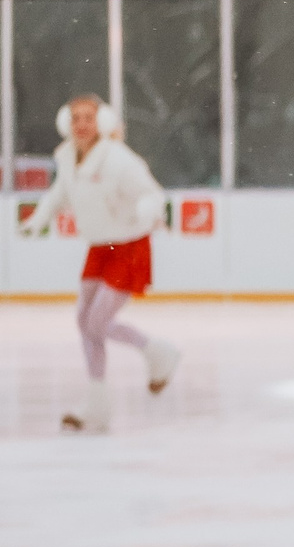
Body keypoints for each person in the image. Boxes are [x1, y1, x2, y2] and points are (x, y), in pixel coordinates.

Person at [16, 93, 181, 433]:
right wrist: (40, 217)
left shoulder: (118, 159)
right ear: (65, 123)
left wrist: (147, 209)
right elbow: (60, 193)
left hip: (129, 246)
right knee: (84, 321)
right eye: (75, 118)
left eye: (88, 117)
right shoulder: (67, 158)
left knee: (96, 322)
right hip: (100, 246)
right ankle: (97, 404)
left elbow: (151, 193)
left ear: (102, 122)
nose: (81, 124)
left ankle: (157, 352)